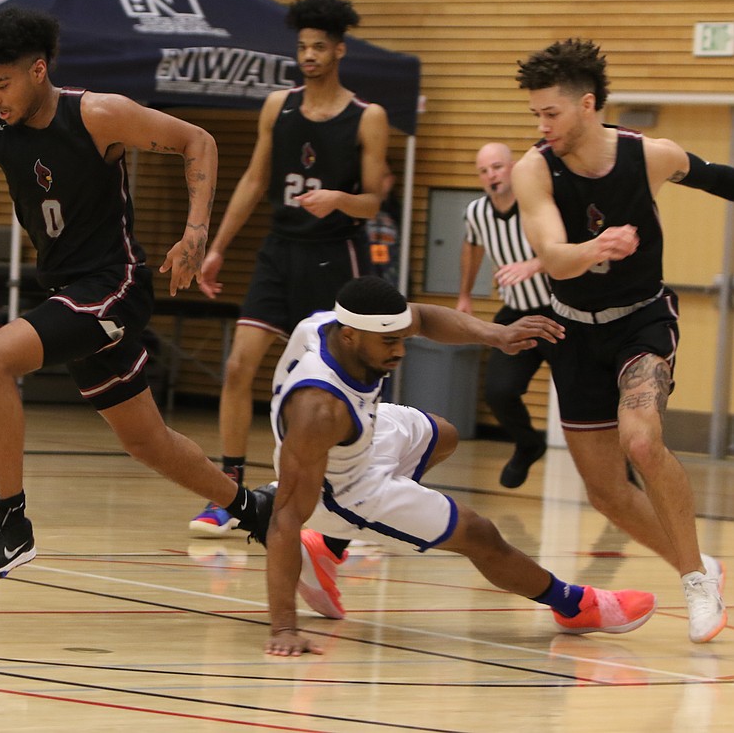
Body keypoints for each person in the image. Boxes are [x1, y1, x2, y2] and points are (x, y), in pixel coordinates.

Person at [0, 6, 268, 579]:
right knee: (146, 439)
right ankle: (254, 508)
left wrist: (195, 231)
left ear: (37, 70)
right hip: (65, 293)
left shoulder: (99, 115)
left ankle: (13, 524)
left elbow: (198, 142)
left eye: (2, 84)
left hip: (114, 286)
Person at [259, 276, 658, 656]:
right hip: (343, 491)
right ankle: (574, 606)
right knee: (480, 534)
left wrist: (496, 335)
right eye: (389, 342)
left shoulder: (338, 322)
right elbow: (287, 517)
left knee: (443, 434)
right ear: (350, 336)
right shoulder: (319, 411)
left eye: (401, 338)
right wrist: (284, 628)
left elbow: (426, 318)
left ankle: (326, 549)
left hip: (361, 434)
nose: (400, 350)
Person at [513, 38, 730, 643]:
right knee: (607, 494)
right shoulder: (534, 169)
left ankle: (694, 582)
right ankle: (699, 564)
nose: (541, 125)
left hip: (641, 320)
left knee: (641, 440)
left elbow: (723, 179)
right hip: (573, 332)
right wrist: (594, 249)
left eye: (550, 113)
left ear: (587, 104)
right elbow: (555, 258)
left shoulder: (650, 156)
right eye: (534, 114)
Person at [189, 0, 390, 537]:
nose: (308, 55)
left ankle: (354, 501)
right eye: (302, 47)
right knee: (238, 366)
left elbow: (374, 199)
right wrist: (216, 245)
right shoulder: (278, 106)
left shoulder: (368, 118)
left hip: (335, 256)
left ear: (339, 50)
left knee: (351, 382)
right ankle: (231, 494)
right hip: (280, 252)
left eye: (319, 47)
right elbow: (256, 180)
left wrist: (339, 199)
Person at [457, 142, 555, 488]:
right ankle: (528, 444)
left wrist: (534, 264)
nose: (491, 176)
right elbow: (472, 246)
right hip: (517, 313)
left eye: (497, 167)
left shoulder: (538, 203)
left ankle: (621, 468)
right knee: (499, 391)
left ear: (512, 168)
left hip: (562, 311)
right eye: (484, 171)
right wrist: (465, 295)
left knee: (587, 398)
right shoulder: (477, 213)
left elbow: (570, 246)